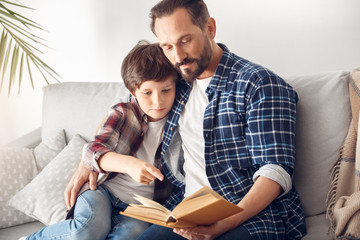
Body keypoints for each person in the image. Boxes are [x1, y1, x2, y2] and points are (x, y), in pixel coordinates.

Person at [66, 0, 307, 239]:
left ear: (210, 28)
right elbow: (128, 106)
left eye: (185, 40)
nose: (178, 55)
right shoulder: (175, 83)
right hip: (188, 209)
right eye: (167, 46)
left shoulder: (258, 84)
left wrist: (224, 223)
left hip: (251, 213)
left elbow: (274, 172)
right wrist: (88, 161)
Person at [22, 40, 179, 240]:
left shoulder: (181, 121)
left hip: (141, 208)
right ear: (133, 91)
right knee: (87, 229)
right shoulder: (125, 113)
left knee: (131, 235)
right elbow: (92, 151)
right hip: (102, 191)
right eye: (147, 93)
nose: (158, 101)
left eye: (166, 90)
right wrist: (130, 165)